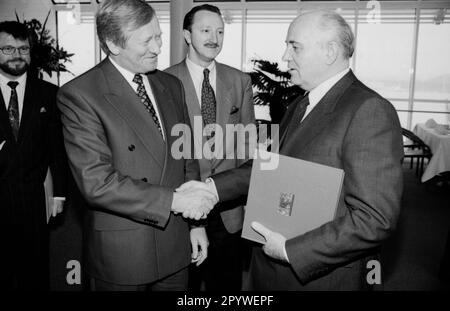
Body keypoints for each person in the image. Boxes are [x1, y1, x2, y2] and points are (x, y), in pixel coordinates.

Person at [178, 10, 404, 290]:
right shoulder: (300, 104)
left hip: (322, 277)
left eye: (294, 46)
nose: (285, 56)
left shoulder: (369, 111)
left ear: (330, 51)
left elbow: (374, 220)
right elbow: (268, 167)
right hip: (273, 270)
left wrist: (290, 251)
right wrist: (212, 188)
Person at [57, 0, 216, 291]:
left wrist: (197, 224)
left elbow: (186, 160)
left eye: (158, 36)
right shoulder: (80, 95)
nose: (158, 48)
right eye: (147, 41)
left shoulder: (170, 85)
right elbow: (96, 183)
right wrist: (175, 202)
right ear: (112, 44)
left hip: (175, 244)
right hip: (122, 255)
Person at [165, 4, 255, 291]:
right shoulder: (163, 82)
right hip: (181, 210)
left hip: (229, 210)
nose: (214, 38)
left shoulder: (240, 81)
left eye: (220, 31)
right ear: (187, 35)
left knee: (227, 287)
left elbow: (247, 147)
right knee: (184, 287)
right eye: (205, 30)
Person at [0, 21, 67, 290]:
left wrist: (60, 195)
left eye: (23, 48)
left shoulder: (50, 94)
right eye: (7, 48)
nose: (17, 54)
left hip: (34, 205)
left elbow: (57, 150)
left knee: (35, 277)